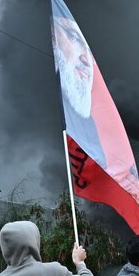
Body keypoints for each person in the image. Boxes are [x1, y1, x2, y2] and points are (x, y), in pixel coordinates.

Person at [52, 13, 106, 168]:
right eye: (75, 38)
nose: (86, 59)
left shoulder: (88, 127)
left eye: (89, 51)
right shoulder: (41, 111)